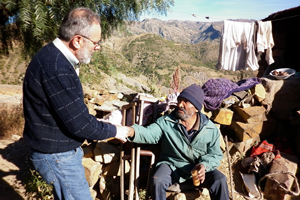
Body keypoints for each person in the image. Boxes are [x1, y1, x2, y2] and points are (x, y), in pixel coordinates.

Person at [22, 7, 127, 200]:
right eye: (96, 42)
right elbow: (80, 124)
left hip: (58, 153)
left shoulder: (54, 58)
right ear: (77, 40)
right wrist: (116, 131)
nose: (98, 47)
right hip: (58, 156)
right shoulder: (56, 68)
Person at [125, 84, 229, 200]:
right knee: (157, 180)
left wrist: (204, 165)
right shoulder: (166, 122)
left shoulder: (210, 129)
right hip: (172, 166)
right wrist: (130, 131)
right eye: (179, 100)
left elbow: (215, 155)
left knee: (220, 180)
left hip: (196, 170)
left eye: (186, 102)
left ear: (196, 108)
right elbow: (149, 133)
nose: (180, 104)